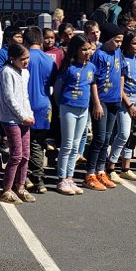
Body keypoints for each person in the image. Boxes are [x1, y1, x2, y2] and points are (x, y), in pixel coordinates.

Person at [83, 25, 124, 191]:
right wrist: (97, 103)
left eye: (121, 41)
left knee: (107, 139)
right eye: (116, 41)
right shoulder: (99, 55)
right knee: (99, 138)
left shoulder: (118, 53)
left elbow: (121, 73)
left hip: (114, 100)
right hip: (102, 101)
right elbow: (93, 81)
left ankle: (101, 170)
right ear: (107, 39)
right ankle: (90, 173)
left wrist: (120, 93)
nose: (119, 44)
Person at [54, 36, 97, 195]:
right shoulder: (68, 67)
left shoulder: (91, 67)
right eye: (83, 49)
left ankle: (70, 177)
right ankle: (61, 179)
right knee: (67, 144)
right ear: (76, 50)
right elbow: (57, 91)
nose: (87, 52)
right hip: (68, 108)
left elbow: (92, 86)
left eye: (89, 49)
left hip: (83, 109)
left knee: (77, 146)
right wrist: (62, 105)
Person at [0, 42, 34, 203]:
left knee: (26, 155)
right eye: (22, 59)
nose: (26, 61)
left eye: (27, 58)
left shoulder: (25, 73)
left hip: (25, 118)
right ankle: (7, 190)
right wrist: (21, 116)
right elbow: (9, 98)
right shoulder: (6, 72)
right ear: (12, 58)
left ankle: (20, 187)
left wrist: (29, 114)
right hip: (11, 119)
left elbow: (25, 96)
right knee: (16, 155)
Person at [110, 30, 136, 182]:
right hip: (126, 100)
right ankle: (111, 166)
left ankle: (126, 167)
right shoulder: (122, 59)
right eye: (134, 43)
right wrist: (129, 104)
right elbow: (120, 85)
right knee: (123, 133)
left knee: (134, 133)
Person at [22, 27, 55, 193]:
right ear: (41, 41)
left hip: (26, 104)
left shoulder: (24, 59)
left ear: (25, 42)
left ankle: (32, 176)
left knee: (25, 143)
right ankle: (36, 176)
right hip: (44, 104)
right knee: (38, 142)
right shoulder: (49, 60)